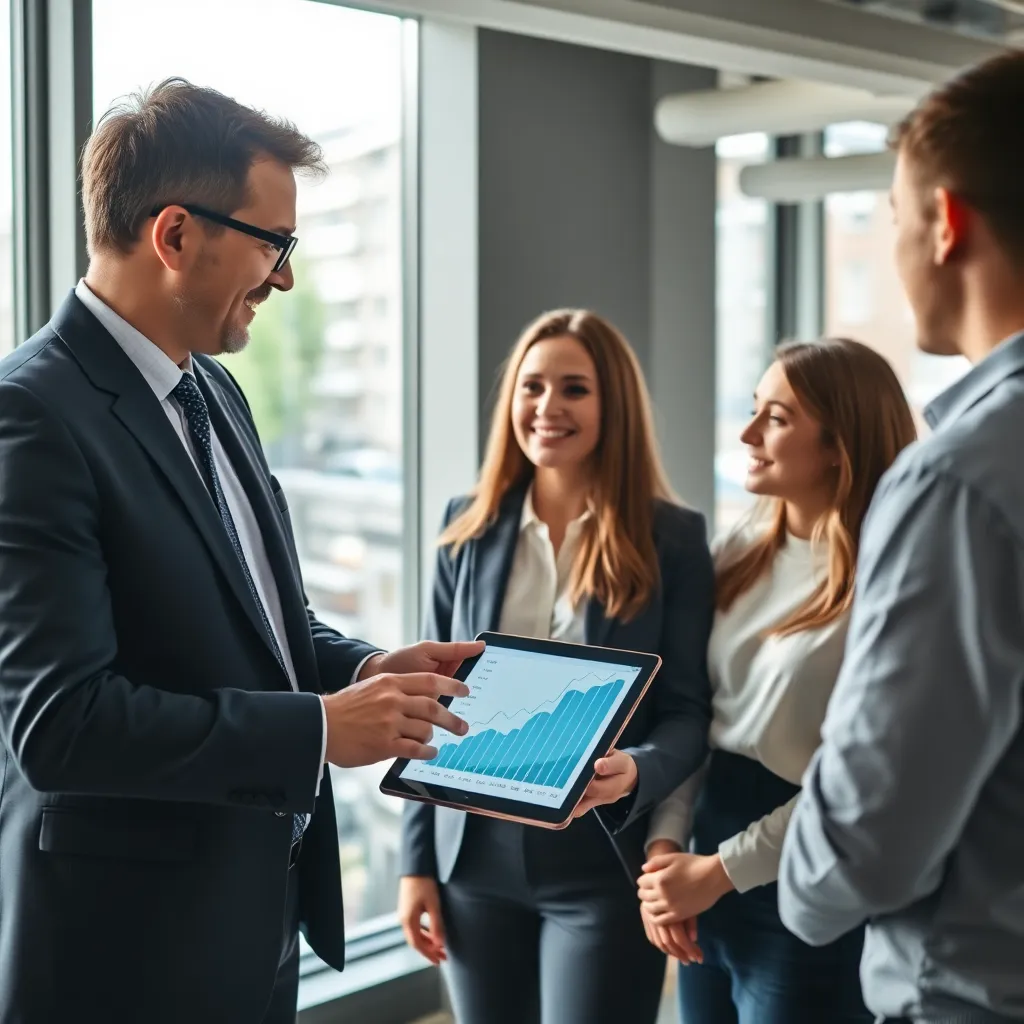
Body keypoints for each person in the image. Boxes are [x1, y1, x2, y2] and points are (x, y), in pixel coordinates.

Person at [0, 79, 482, 1024]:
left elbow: (260, 618)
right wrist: (317, 732)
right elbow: (62, 726)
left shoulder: (215, 394)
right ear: (175, 236)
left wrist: (366, 668)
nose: (286, 279)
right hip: (121, 955)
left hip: (247, 924)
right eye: (274, 245)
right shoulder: (29, 417)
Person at [777, 50, 1024, 1024]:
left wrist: (795, 889)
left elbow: (866, 842)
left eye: (890, 214)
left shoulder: (959, 476)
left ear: (945, 221)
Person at [397, 309, 715, 1024]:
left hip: (599, 866)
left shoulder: (674, 538)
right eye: (532, 386)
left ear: (615, 407)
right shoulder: (464, 531)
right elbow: (429, 704)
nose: (548, 407)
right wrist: (416, 864)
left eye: (575, 389)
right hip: (471, 863)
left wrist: (638, 769)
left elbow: (689, 712)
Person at [638, 338, 917, 1024]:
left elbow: (866, 778)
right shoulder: (735, 552)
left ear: (837, 445)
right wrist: (667, 854)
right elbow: (693, 714)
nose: (747, 434)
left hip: (807, 873)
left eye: (778, 418)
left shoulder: (889, 582)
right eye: (754, 409)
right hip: (707, 854)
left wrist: (720, 871)